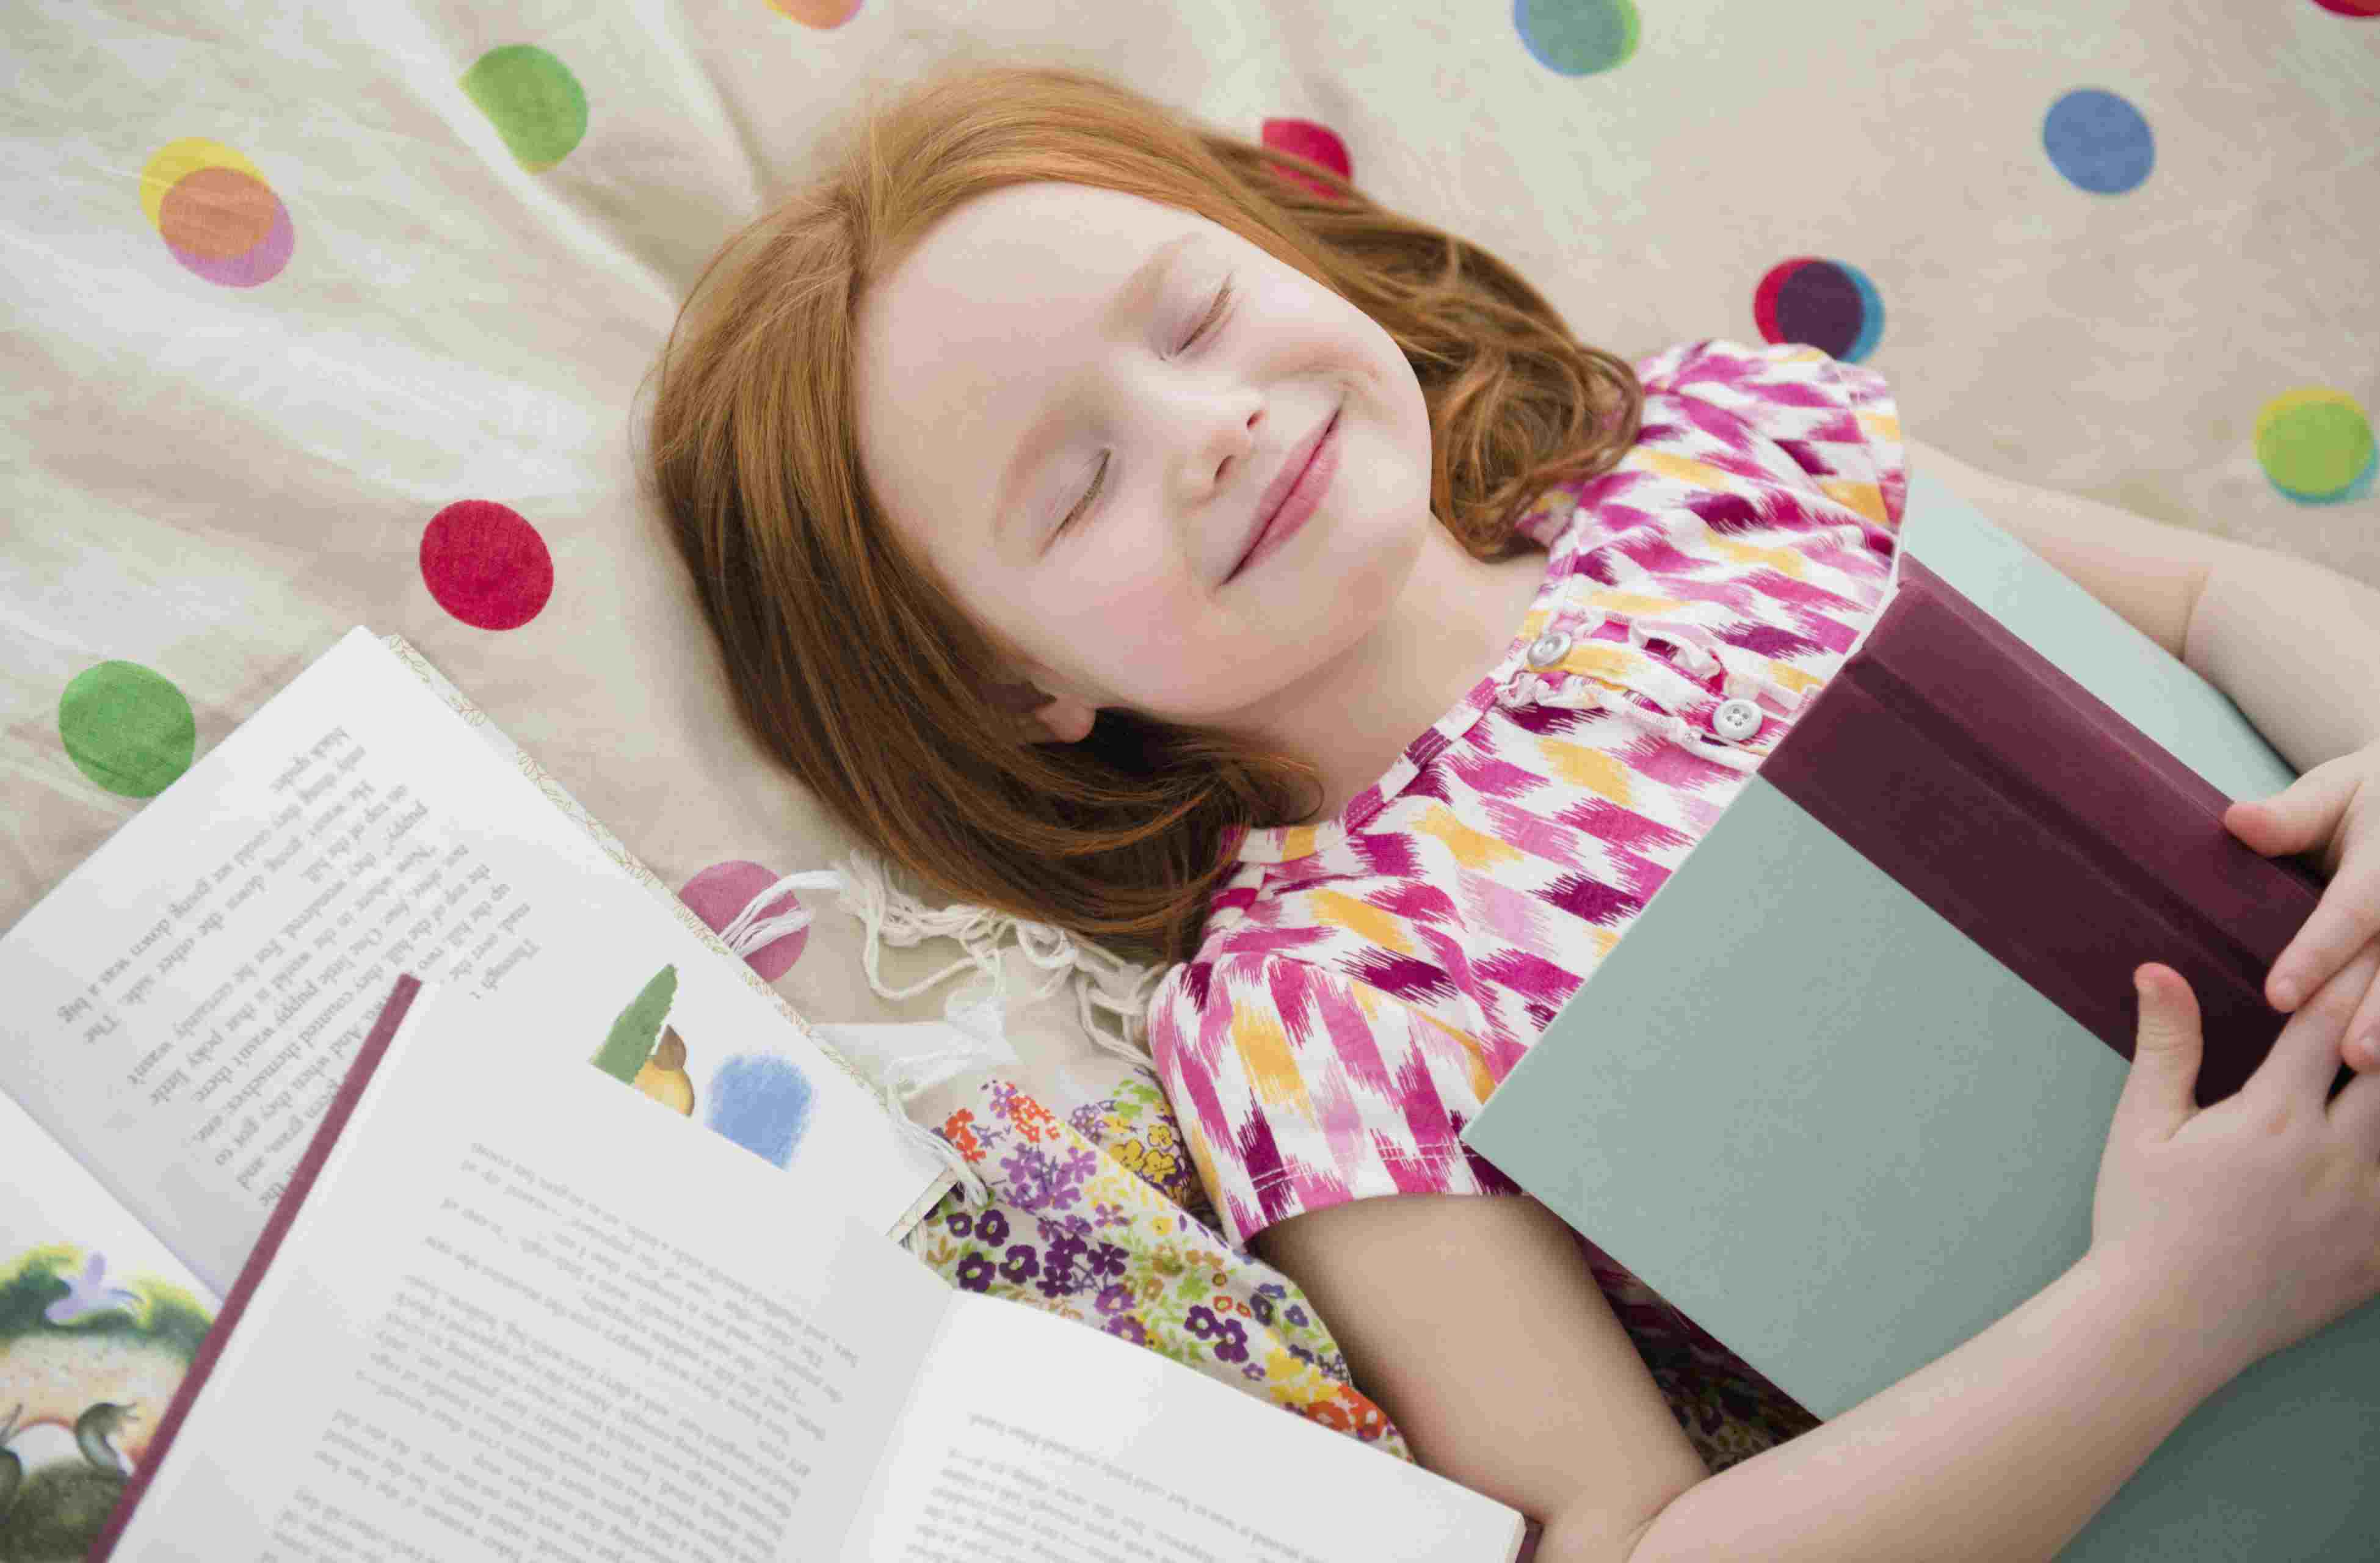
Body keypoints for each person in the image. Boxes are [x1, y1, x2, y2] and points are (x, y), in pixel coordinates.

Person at [641, 57, 2380, 1562]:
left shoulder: (1717, 449)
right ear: (1016, 691)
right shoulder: (1313, 1005)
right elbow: (1618, 1536)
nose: (1211, 428)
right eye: (1077, 485)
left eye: (1192, 318)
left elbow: (2214, 596)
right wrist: (2169, 1308)